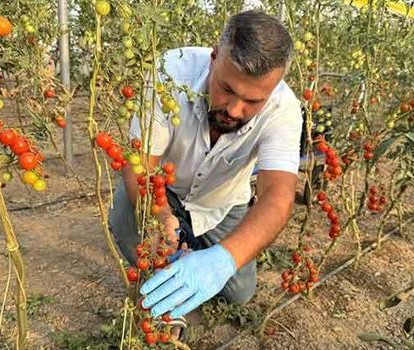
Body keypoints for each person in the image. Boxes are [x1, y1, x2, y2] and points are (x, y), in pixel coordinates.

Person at [108, 10, 301, 324]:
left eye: (253, 102)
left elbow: (278, 196)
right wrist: (160, 216)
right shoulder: (170, 74)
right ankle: (163, 282)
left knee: (239, 293)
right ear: (214, 58)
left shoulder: (285, 109)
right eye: (227, 89)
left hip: (222, 202)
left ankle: (195, 252)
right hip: (163, 188)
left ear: (274, 87)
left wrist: (224, 259)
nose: (235, 110)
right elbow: (140, 166)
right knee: (127, 220)